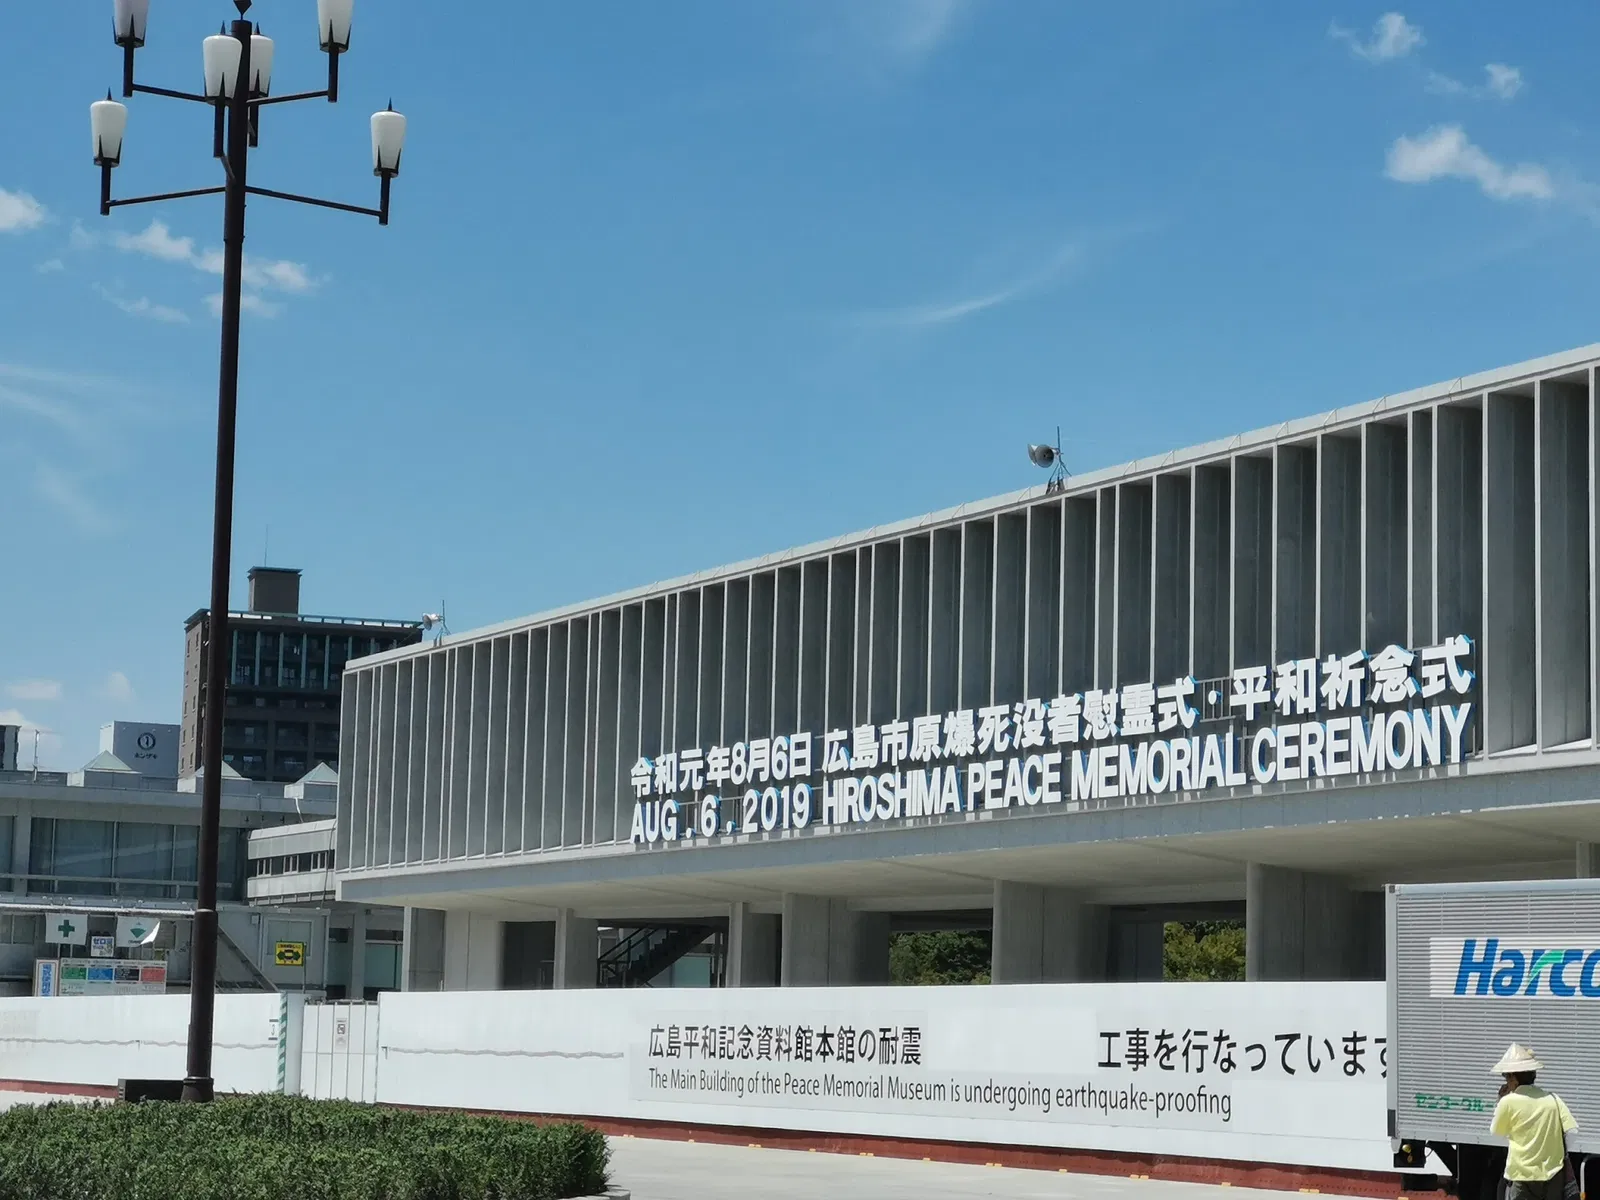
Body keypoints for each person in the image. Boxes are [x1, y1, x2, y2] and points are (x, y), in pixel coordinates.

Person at [1490, 1044, 1577, 1200]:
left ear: (1513, 1077)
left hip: (1521, 1175)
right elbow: (1573, 1132)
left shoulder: (1508, 1102)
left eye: (1506, 1076)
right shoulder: (1553, 1099)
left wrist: (1500, 1101)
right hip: (1553, 1175)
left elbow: (1496, 1133)